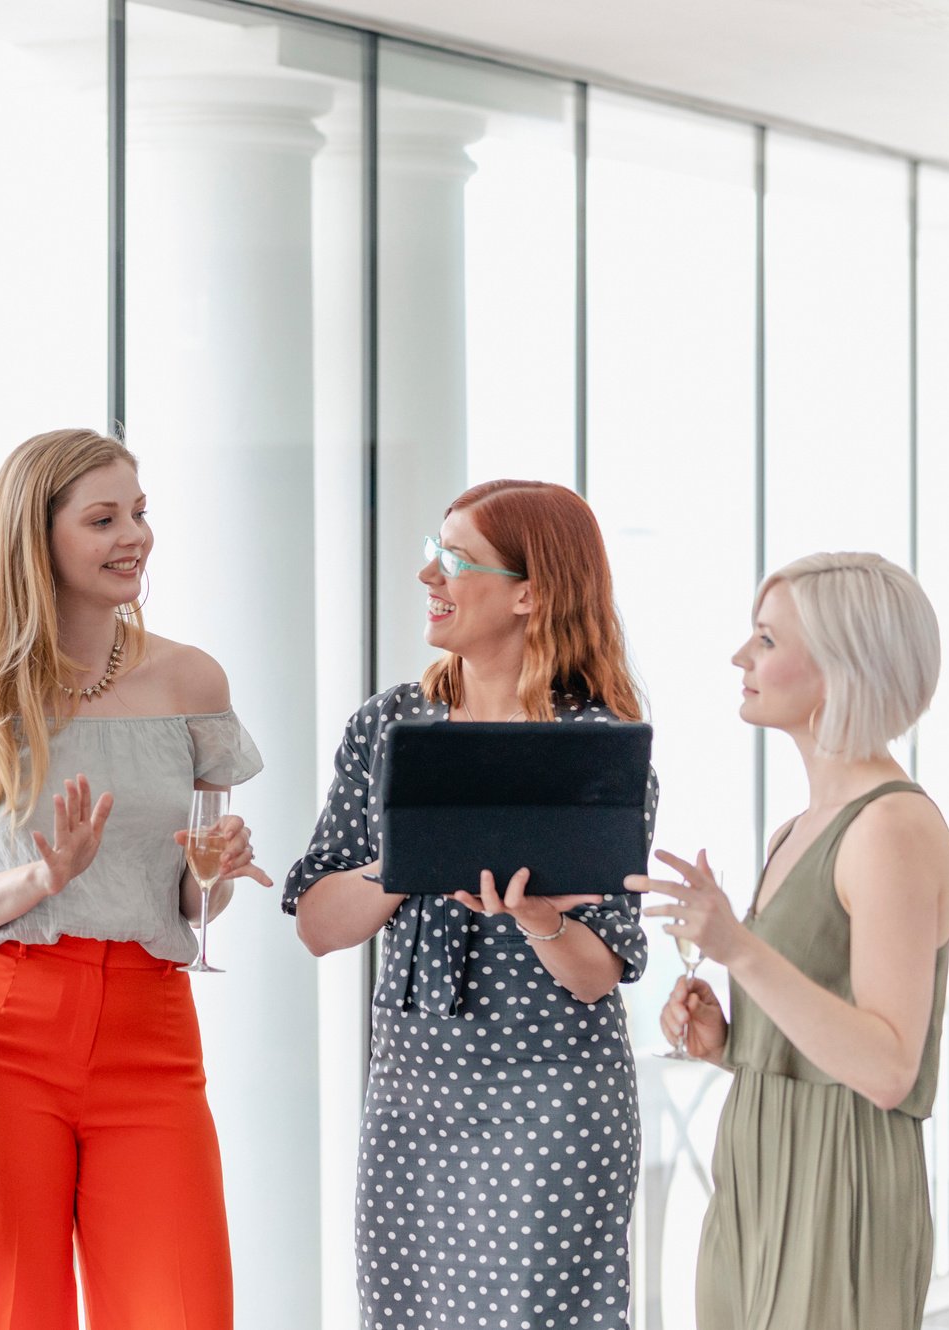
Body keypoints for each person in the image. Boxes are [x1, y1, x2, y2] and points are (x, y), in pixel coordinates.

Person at [0, 427, 270, 1330]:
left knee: (179, 1310)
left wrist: (211, 870)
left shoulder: (190, 679)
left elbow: (196, 897)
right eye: (103, 518)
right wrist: (43, 875)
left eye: (139, 514)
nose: (134, 537)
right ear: (37, 538)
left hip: (150, 1025)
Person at [288, 478, 653, 1330]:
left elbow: (599, 974)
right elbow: (315, 923)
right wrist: (406, 861)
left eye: (452, 558)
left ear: (531, 593)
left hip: (551, 1097)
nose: (427, 575)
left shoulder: (598, 747)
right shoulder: (386, 729)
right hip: (413, 1097)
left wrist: (539, 920)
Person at [634, 551, 949, 1330]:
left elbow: (885, 1067)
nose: (740, 657)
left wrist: (739, 947)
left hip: (838, 1178)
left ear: (843, 667)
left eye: (766, 640)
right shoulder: (798, 828)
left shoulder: (890, 827)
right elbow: (825, 1023)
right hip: (756, 1165)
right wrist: (734, 1044)